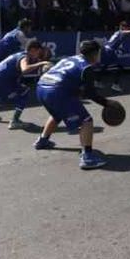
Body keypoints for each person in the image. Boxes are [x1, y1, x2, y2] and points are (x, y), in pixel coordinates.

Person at [33, 40, 112, 170]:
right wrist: (107, 103)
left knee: (57, 114)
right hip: (57, 91)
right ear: (95, 53)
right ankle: (87, 157)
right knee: (86, 120)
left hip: (41, 87)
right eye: (99, 52)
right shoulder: (86, 68)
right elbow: (91, 94)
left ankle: (42, 140)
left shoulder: (70, 59)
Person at [0, 40, 52, 129]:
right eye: (39, 52)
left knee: (7, 91)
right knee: (24, 92)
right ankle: (14, 121)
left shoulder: (20, 54)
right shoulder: (25, 57)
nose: (39, 55)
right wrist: (41, 63)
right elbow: (24, 70)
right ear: (33, 50)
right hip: (1, 80)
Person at [98, 22, 130, 92]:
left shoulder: (117, 32)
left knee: (106, 66)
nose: (128, 29)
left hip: (107, 49)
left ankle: (98, 81)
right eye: (127, 27)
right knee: (119, 68)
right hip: (110, 51)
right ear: (123, 27)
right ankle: (115, 84)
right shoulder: (122, 32)